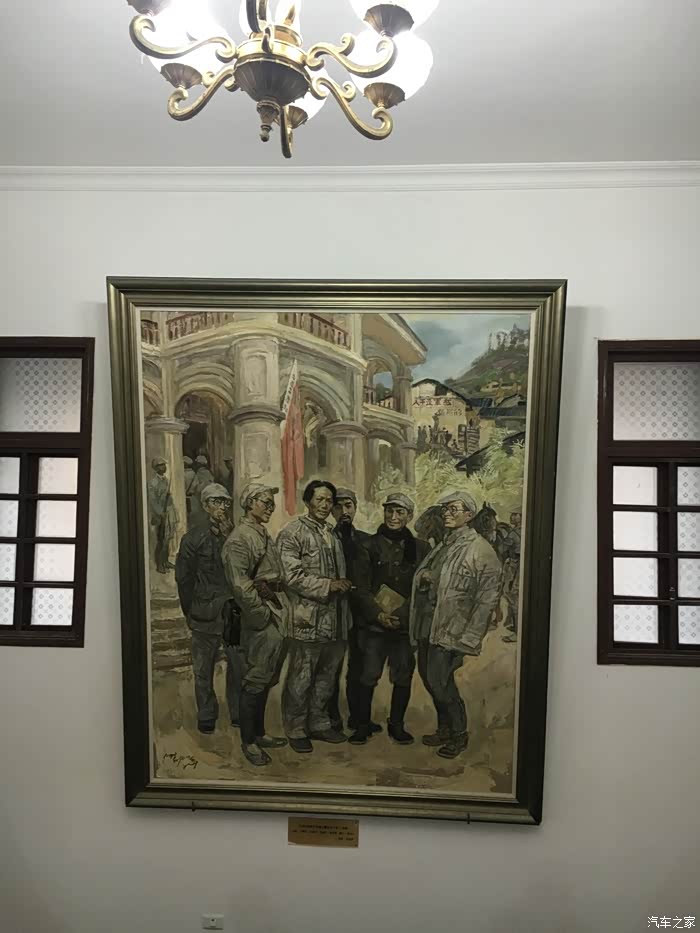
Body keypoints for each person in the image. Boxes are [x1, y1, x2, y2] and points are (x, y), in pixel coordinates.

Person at [410, 491, 501, 759]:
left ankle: (459, 734)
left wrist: (470, 637)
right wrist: (425, 578)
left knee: (441, 682)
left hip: (452, 629)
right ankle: (444, 729)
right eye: (445, 509)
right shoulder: (444, 544)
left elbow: (486, 600)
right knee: (430, 679)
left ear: (469, 515)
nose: (447, 514)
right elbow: (435, 578)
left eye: (453, 509)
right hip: (429, 624)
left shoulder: (480, 550)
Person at [278, 480, 352, 753]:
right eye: (319, 499)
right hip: (307, 619)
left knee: (327, 675)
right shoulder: (292, 533)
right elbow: (291, 576)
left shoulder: (332, 533)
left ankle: (319, 724)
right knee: (301, 675)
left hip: (335, 620)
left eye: (329, 501)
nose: (324, 505)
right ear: (308, 501)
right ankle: (296, 728)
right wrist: (328, 585)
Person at [349, 493, 429, 746]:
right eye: (390, 511)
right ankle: (362, 726)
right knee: (367, 675)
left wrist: (402, 616)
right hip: (374, 627)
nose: (393, 517)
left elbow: (422, 591)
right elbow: (360, 587)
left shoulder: (422, 549)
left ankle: (397, 725)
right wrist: (378, 614)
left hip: (403, 627)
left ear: (409, 516)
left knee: (403, 676)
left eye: (400, 512)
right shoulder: (367, 545)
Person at [222, 483, 289, 767]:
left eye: (271, 502)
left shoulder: (260, 532)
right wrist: (262, 616)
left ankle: (259, 733)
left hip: (275, 610)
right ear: (250, 503)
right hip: (259, 618)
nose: (270, 507)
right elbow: (240, 585)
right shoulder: (240, 538)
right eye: (265, 502)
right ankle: (249, 742)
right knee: (255, 679)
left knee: (266, 677)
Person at [175, 483, 244, 734]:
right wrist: (190, 611)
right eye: (216, 502)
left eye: (225, 502)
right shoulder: (193, 538)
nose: (221, 507)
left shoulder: (236, 536)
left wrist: (229, 537)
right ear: (205, 506)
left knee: (238, 666)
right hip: (204, 612)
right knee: (203, 669)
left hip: (232, 612)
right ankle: (206, 714)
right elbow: (184, 579)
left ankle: (238, 713)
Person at [328, 487, 375, 734]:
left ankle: (359, 719)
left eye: (348, 506)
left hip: (360, 615)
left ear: (355, 508)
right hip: (333, 612)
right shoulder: (325, 539)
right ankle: (331, 719)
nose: (344, 511)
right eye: (338, 506)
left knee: (360, 668)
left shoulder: (367, 540)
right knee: (331, 668)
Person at [147, 457, 178, 573]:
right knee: (161, 540)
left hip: (169, 512)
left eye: (164, 465)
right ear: (156, 468)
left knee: (168, 539)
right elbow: (153, 501)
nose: (164, 467)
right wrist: (160, 513)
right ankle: (160, 565)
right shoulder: (153, 483)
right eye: (161, 465)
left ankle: (165, 561)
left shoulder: (165, 480)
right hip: (161, 515)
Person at [501, 512, 522, 643]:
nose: (512, 517)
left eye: (515, 515)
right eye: (512, 514)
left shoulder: (513, 534)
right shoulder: (518, 531)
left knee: (514, 597)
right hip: (517, 565)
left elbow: (502, 549)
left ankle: (517, 633)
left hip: (516, 566)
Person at [188, 455, 215, 528]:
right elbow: (212, 481)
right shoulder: (209, 472)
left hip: (201, 494)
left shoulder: (198, 473)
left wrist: (191, 491)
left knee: (201, 510)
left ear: (199, 464)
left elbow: (195, 484)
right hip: (209, 493)